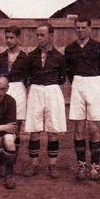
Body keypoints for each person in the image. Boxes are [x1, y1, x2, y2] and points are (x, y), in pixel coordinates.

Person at [65, 16, 100, 181]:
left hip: (94, 84)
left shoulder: (99, 47)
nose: (80, 30)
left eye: (84, 27)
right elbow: (69, 72)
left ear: (90, 29)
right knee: (79, 127)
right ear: (75, 28)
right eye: (78, 28)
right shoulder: (70, 49)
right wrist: (79, 82)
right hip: (78, 84)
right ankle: (81, 165)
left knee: (93, 128)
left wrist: (93, 83)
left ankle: (95, 167)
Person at [23, 23, 66, 179]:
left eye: (42, 35)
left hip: (52, 91)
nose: (39, 38)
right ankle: (33, 164)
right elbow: (26, 75)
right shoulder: (31, 56)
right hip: (35, 91)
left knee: (52, 130)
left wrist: (49, 85)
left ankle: (52, 165)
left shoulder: (59, 57)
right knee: (34, 130)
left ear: (51, 36)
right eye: (37, 35)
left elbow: (62, 78)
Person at [0, 26, 27, 174]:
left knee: (16, 127)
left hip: (19, 90)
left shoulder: (25, 58)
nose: (8, 40)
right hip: (3, 91)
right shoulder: (0, 57)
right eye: (6, 37)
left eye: (11, 37)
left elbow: (28, 78)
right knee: (3, 126)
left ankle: (12, 162)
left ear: (18, 38)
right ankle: (1, 162)